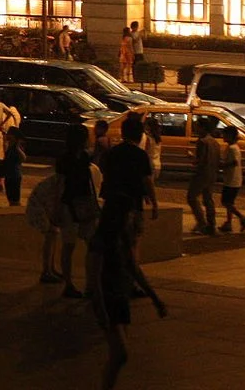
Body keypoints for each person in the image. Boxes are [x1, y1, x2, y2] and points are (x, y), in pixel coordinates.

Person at [88, 156, 167, 390]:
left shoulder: (123, 238)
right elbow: (94, 279)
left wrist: (155, 298)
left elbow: (134, 268)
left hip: (120, 296)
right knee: (121, 354)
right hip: (109, 298)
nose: (132, 218)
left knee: (118, 356)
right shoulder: (101, 241)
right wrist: (100, 309)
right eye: (128, 214)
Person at [48, 137, 102, 297]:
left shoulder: (69, 158)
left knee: (71, 245)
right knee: (81, 244)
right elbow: (62, 184)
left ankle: (74, 284)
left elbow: (60, 184)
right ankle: (87, 284)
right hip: (77, 204)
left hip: (73, 203)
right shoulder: (81, 157)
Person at [187, 115, 221, 235]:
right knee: (208, 199)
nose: (195, 128)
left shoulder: (202, 142)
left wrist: (192, 159)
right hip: (212, 173)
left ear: (203, 128)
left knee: (191, 197)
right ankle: (211, 224)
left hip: (202, 174)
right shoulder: (215, 142)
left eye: (197, 126)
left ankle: (202, 223)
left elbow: (201, 160)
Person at [216, 126, 245, 234]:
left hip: (232, 180)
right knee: (229, 202)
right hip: (232, 179)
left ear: (230, 136)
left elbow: (234, 162)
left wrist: (222, 165)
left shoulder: (232, 148)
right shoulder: (232, 147)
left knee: (226, 202)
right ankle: (228, 223)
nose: (223, 136)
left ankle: (242, 218)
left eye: (225, 134)